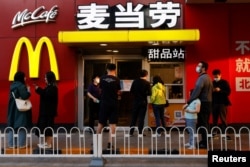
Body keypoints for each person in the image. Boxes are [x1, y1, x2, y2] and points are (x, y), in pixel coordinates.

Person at [185, 61, 213, 149]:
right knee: (205, 123)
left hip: (203, 103)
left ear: (203, 68)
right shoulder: (208, 77)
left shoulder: (202, 78)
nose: (197, 67)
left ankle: (204, 143)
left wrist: (189, 101)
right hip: (208, 103)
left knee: (203, 123)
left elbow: (197, 90)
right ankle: (205, 141)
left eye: (199, 66)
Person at [96, 63, 121, 150]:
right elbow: (118, 91)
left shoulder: (102, 78)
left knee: (101, 123)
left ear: (107, 69)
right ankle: (110, 144)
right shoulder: (117, 79)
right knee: (112, 124)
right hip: (113, 103)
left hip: (104, 103)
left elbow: (100, 89)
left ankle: (96, 142)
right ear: (115, 70)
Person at [7, 71, 32, 148]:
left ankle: (11, 144)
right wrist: (28, 90)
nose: (25, 78)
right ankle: (21, 144)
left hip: (12, 108)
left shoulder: (12, 85)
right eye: (24, 77)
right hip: (20, 109)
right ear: (21, 78)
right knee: (22, 125)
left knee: (12, 125)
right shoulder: (21, 86)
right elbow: (25, 96)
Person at [34, 71, 58, 149]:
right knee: (44, 128)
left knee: (48, 128)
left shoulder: (53, 88)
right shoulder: (49, 87)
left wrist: (39, 90)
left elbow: (47, 95)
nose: (44, 79)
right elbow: (44, 93)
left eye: (46, 77)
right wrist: (39, 89)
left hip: (48, 112)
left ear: (49, 78)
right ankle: (46, 143)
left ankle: (48, 144)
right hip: (45, 112)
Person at [129, 69, 151, 136]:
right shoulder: (147, 83)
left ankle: (131, 132)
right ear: (146, 75)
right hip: (143, 102)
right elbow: (150, 93)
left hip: (136, 101)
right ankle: (140, 132)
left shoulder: (135, 82)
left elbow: (131, 91)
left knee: (134, 117)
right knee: (141, 118)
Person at [212, 69, 231, 140]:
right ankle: (214, 133)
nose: (215, 78)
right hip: (214, 103)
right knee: (214, 119)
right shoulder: (212, 83)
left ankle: (225, 134)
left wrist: (220, 90)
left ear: (220, 75)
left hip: (222, 103)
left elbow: (228, 92)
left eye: (217, 76)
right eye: (214, 77)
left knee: (223, 119)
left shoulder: (224, 82)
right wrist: (213, 90)